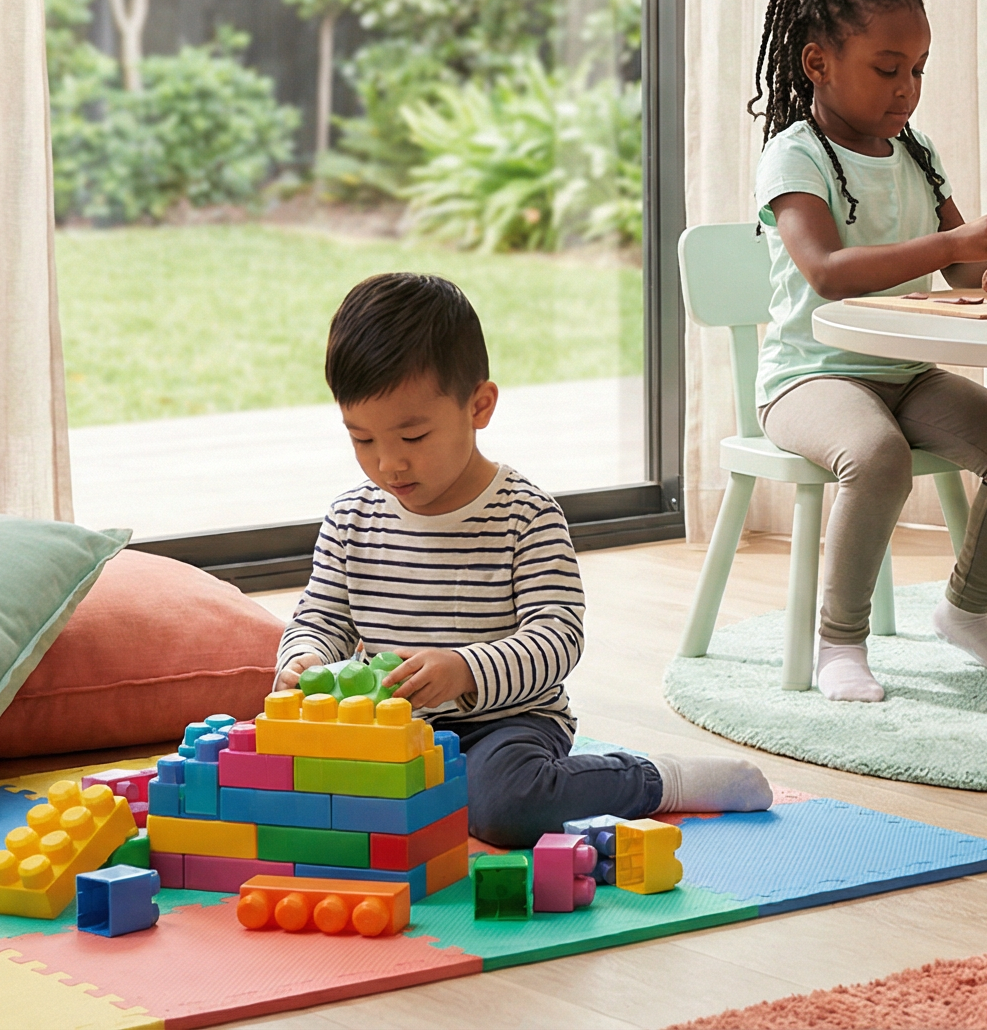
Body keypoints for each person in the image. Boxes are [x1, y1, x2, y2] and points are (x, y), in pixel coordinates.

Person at [278, 272, 773, 850]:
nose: (388, 464)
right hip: (387, 730)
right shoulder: (351, 518)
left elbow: (557, 638)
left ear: (479, 406)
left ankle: (658, 779)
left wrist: (465, 671)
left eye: (412, 437)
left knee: (505, 808)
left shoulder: (525, 515)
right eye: (363, 440)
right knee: (287, 786)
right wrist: (304, 660)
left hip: (505, 725)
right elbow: (322, 618)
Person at [750, 0, 987, 703]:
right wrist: (956, 242)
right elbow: (826, 271)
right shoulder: (795, 157)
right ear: (817, 62)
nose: (907, 90)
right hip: (810, 374)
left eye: (918, 70)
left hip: (903, 371)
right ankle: (839, 642)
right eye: (888, 69)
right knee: (877, 455)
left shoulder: (917, 155)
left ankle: (963, 609)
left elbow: (957, 274)